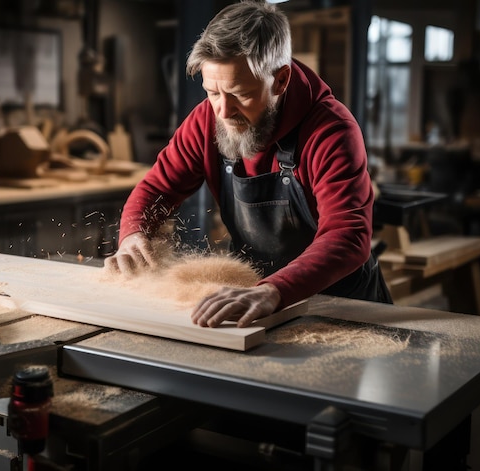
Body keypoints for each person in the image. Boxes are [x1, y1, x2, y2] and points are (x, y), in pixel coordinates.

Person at [104, 0, 392, 328]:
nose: (223, 112)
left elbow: (348, 235)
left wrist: (275, 290)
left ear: (281, 81)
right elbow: (157, 188)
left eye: (240, 94)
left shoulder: (331, 131)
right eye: (212, 92)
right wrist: (133, 234)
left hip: (342, 305)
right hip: (255, 299)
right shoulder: (206, 120)